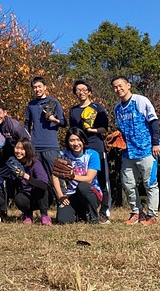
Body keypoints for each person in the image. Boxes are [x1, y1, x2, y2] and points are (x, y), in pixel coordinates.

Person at [111, 76, 160, 226]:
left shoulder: (141, 101)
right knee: (128, 184)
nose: (118, 89)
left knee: (150, 184)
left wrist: (155, 143)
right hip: (128, 152)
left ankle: (152, 215)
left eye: (120, 86)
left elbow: (154, 121)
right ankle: (137, 212)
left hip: (147, 149)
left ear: (128, 85)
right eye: (115, 87)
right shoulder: (117, 108)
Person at [68, 79, 111, 223]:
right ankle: (85, 210)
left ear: (90, 92)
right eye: (78, 90)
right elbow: (72, 131)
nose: (82, 92)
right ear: (75, 93)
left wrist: (91, 129)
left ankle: (105, 212)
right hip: (80, 150)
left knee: (102, 180)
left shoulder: (97, 108)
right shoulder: (73, 110)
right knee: (82, 179)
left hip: (96, 146)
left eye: (84, 89)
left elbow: (105, 129)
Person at [53, 128, 103, 224]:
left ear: (83, 140)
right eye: (72, 140)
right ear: (68, 142)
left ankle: (94, 218)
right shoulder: (62, 155)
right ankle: (81, 215)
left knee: (83, 186)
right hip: (71, 194)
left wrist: (72, 176)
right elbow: (54, 175)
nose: (75, 144)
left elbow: (89, 179)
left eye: (78, 140)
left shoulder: (92, 154)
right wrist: (60, 195)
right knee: (62, 220)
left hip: (91, 193)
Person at [24, 76, 66, 183]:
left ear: (45, 87)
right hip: (35, 147)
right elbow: (27, 125)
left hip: (51, 146)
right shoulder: (31, 105)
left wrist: (53, 119)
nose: (37, 89)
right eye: (35, 87)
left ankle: (61, 199)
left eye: (39, 86)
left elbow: (64, 123)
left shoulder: (54, 102)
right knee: (39, 179)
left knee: (56, 178)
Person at [6, 138, 51, 226]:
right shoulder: (12, 164)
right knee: (18, 198)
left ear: (28, 150)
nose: (18, 151)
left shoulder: (35, 163)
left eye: (22, 149)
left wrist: (26, 177)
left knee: (41, 189)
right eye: (17, 148)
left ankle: (44, 215)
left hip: (41, 196)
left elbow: (44, 185)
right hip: (26, 195)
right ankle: (27, 214)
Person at [0, 100, 30, 182]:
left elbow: (28, 144)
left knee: (19, 176)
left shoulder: (14, 126)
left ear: (5, 113)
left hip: (19, 156)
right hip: (1, 157)